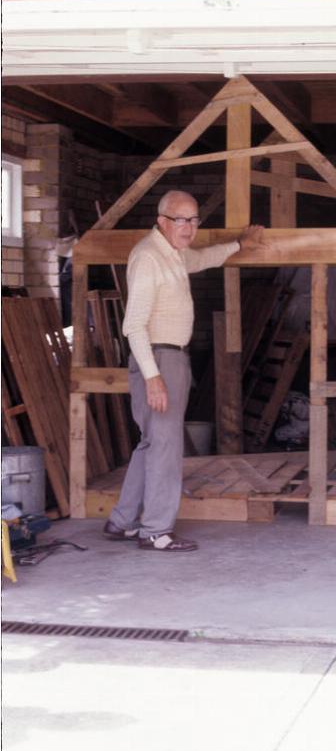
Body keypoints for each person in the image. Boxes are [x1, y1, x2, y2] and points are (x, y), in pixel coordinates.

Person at [103, 190, 265, 551]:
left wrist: (238, 244)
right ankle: (156, 531)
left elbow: (202, 258)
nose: (189, 227)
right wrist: (153, 377)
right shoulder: (148, 257)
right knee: (164, 448)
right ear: (162, 221)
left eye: (193, 220)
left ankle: (122, 520)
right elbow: (133, 326)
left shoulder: (171, 254)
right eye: (181, 219)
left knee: (151, 444)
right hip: (159, 359)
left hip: (167, 359)